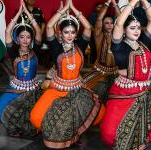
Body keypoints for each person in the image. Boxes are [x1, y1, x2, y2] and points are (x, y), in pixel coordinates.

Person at [30, 0, 100, 148]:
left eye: (73, 32)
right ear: (60, 33)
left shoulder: (80, 45)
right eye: (66, 32)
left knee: (98, 114)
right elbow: (49, 26)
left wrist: (73, 8)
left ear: (76, 34)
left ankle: (72, 134)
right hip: (57, 88)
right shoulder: (56, 47)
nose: (69, 35)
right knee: (36, 118)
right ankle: (55, 130)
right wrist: (63, 11)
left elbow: (88, 27)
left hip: (77, 88)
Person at [100, 0, 151, 149]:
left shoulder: (144, 42)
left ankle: (138, 141)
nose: (137, 30)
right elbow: (118, 24)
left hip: (143, 94)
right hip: (123, 93)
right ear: (124, 30)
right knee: (108, 134)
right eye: (132, 28)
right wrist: (132, 3)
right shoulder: (119, 46)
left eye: (138, 27)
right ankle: (130, 141)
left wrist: (143, 1)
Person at [0, 0, 42, 138]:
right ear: (17, 39)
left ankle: (22, 126)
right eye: (22, 37)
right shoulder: (13, 51)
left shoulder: (35, 50)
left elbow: (38, 30)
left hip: (32, 90)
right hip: (15, 88)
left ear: (31, 39)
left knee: (34, 118)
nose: (25, 40)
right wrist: (19, 13)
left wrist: (29, 15)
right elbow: (7, 31)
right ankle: (14, 124)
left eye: (28, 37)